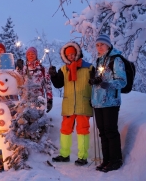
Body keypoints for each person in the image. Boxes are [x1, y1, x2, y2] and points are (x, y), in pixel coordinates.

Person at [49, 42, 94, 166]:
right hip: (69, 104)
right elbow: (58, 84)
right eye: (68, 55)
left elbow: (95, 84)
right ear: (65, 56)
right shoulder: (63, 69)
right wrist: (53, 75)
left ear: (77, 53)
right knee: (65, 130)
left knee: (83, 130)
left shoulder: (89, 68)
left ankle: (83, 157)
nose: (71, 56)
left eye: (73, 54)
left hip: (83, 103)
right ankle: (64, 155)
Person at [88, 34, 126, 172]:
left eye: (102, 44)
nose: (99, 47)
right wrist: (94, 82)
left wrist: (106, 84)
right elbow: (100, 80)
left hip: (111, 102)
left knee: (110, 131)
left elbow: (122, 81)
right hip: (98, 102)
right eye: (97, 45)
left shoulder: (116, 60)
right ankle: (106, 160)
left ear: (108, 45)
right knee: (102, 132)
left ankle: (116, 160)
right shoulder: (99, 60)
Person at [17, 47, 53, 113]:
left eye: (33, 54)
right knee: (24, 120)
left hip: (39, 101)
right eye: (29, 54)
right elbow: (18, 82)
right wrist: (18, 69)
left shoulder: (43, 69)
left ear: (36, 55)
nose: (31, 56)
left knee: (37, 121)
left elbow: (48, 86)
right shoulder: (23, 69)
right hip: (25, 101)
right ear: (26, 56)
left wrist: (49, 100)